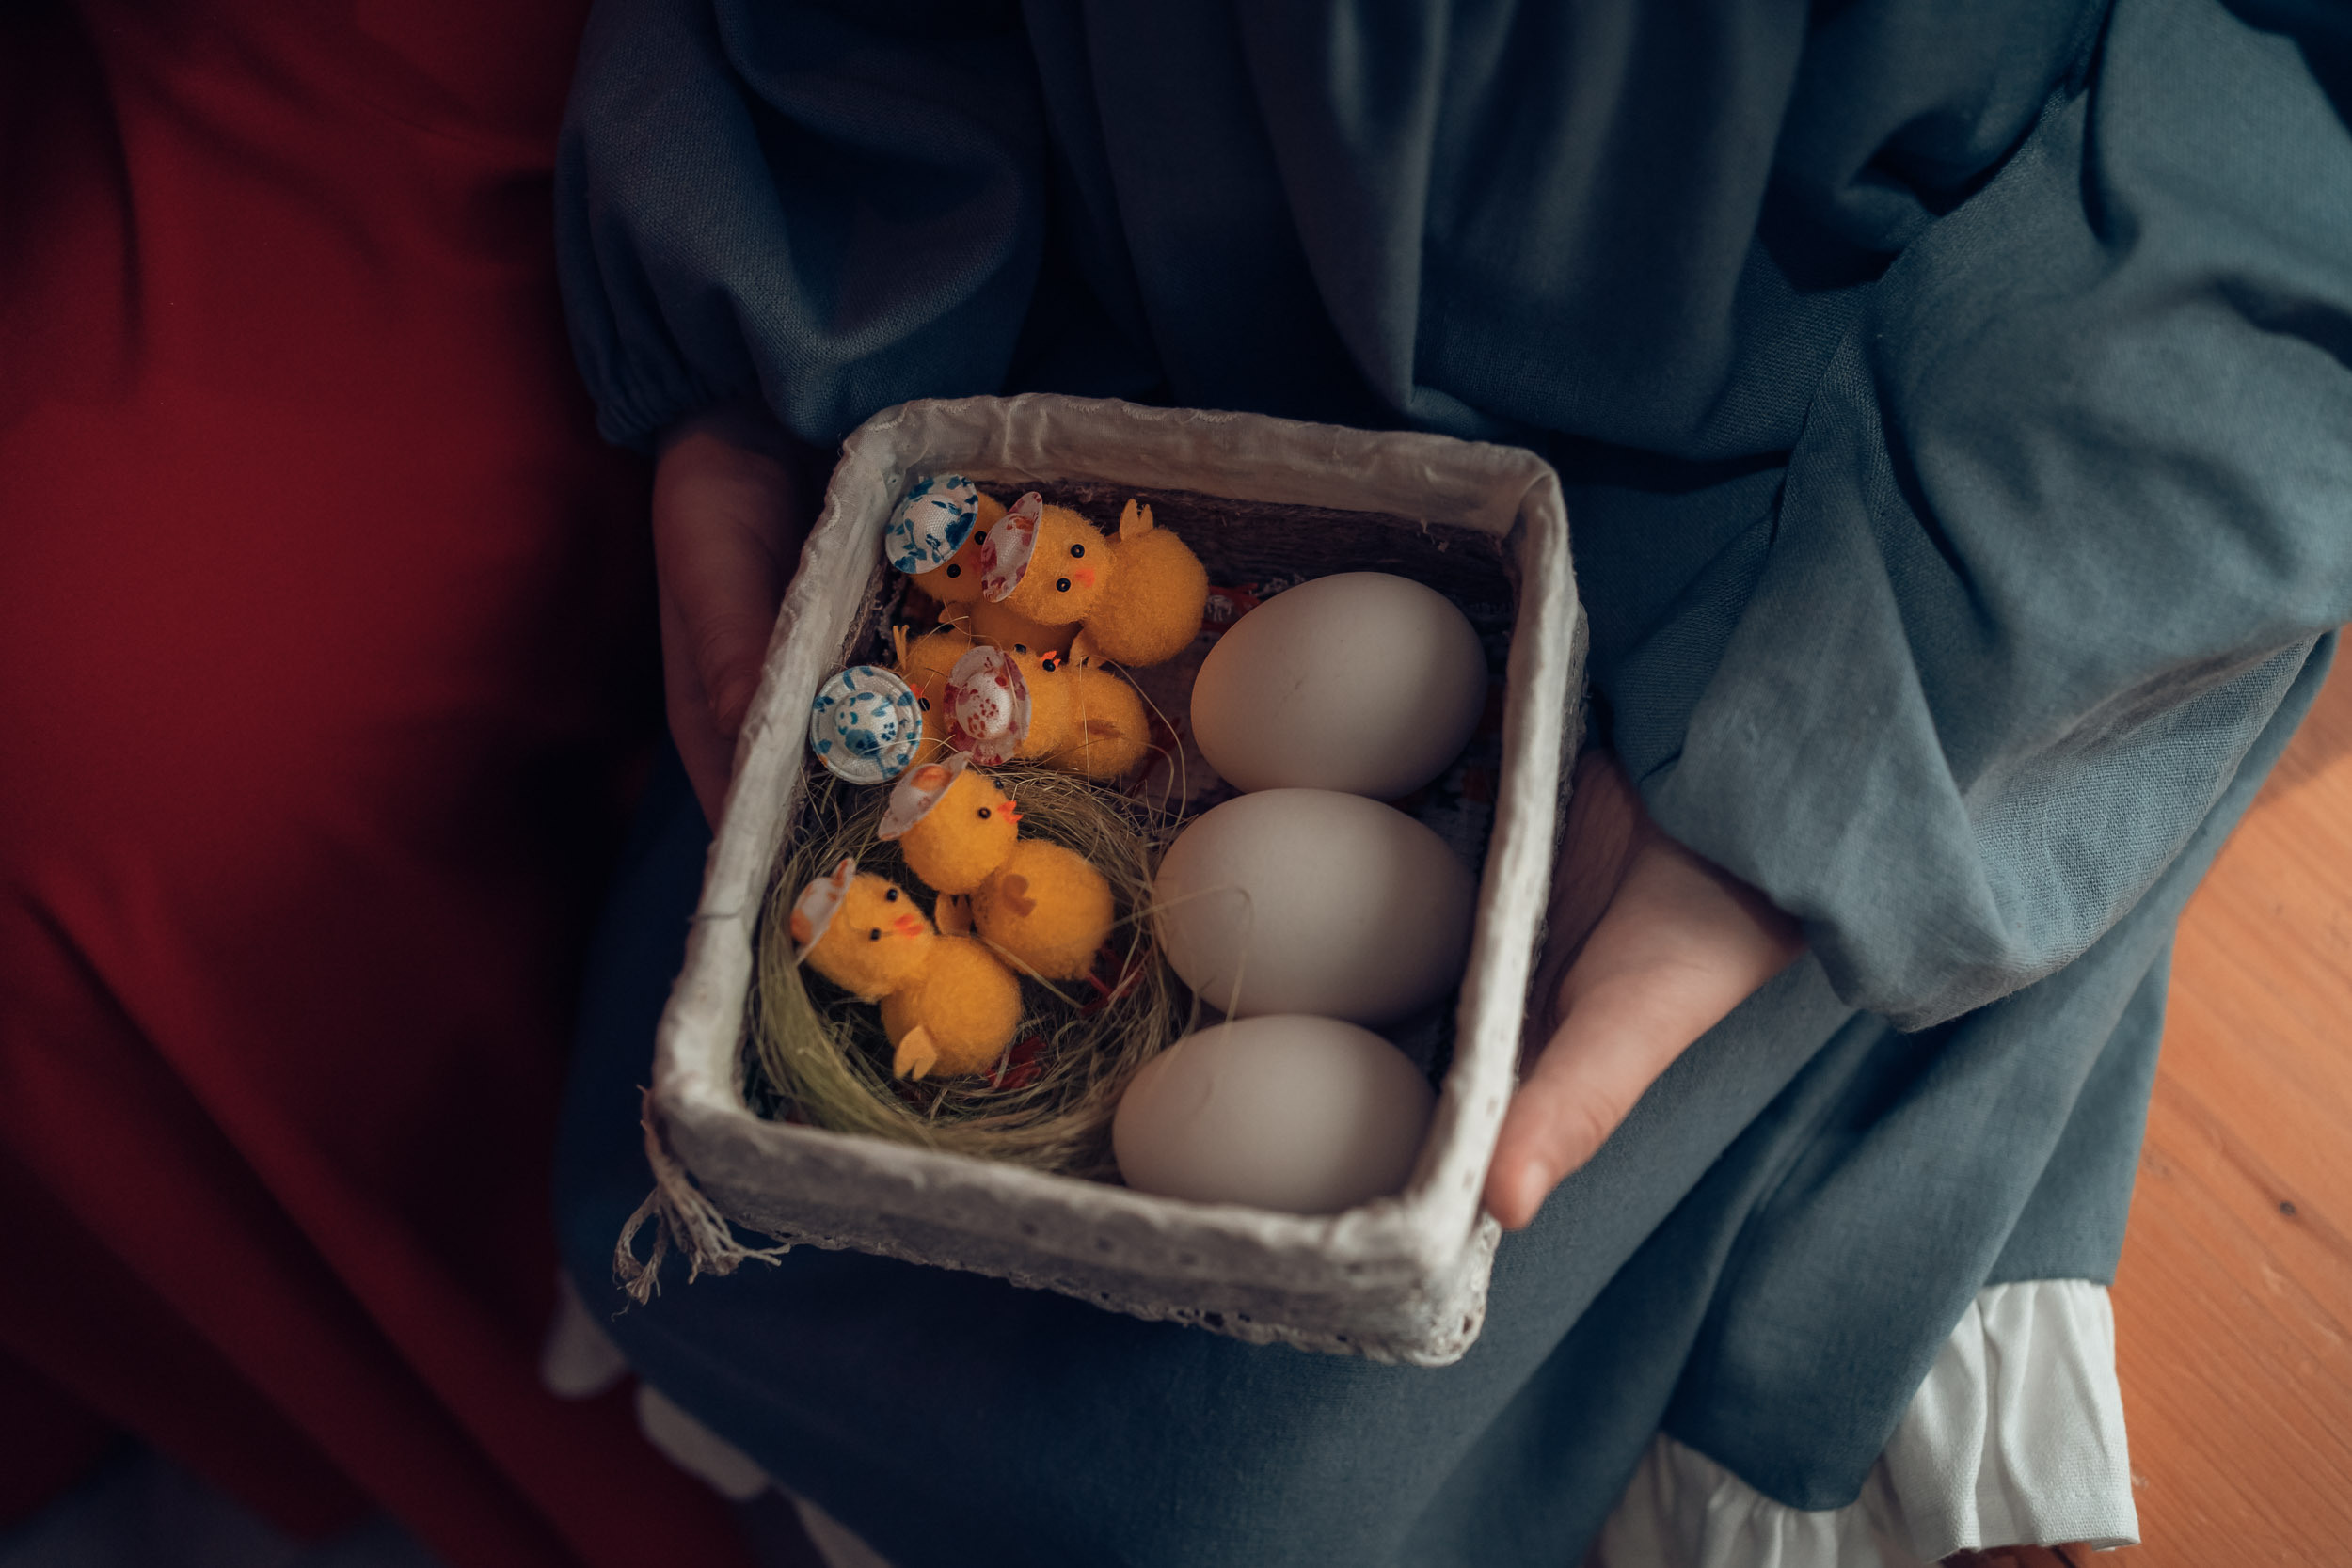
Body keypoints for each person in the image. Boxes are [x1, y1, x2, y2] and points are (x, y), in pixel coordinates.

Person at [549, 0, 2352, 1563]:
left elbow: (2294, 132)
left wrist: (1812, 780)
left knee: (1209, 1496)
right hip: (1140, 352)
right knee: (741, 1215)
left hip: (1844, 500)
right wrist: (769, 356)